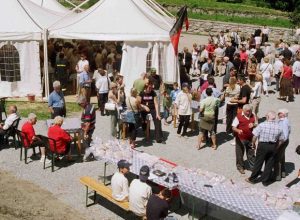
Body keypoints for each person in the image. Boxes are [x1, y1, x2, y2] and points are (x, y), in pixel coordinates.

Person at [246, 111, 285, 186]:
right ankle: (265, 181)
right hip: (273, 146)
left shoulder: (262, 125)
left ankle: (252, 178)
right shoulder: (279, 127)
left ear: (267, 117)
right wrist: (277, 147)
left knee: (258, 162)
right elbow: (281, 140)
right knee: (269, 164)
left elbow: (255, 136)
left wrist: (253, 143)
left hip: (263, 145)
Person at [232, 105, 257, 174]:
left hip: (251, 138)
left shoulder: (253, 115)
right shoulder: (238, 116)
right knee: (239, 154)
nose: (249, 112)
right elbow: (233, 127)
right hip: (240, 139)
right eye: (247, 111)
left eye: (250, 111)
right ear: (243, 110)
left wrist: (253, 125)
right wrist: (238, 130)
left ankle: (253, 167)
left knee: (251, 153)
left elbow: (256, 124)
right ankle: (240, 167)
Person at [274, 109, 291, 181]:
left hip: (282, 142)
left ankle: (277, 176)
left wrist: (279, 144)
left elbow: (285, 135)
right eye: (278, 113)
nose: (278, 115)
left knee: (277, 158)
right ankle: (283, 172)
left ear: (284, 114)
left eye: (280, 113)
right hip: (284, 141)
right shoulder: (284, 121)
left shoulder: (284, 122)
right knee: (282, 156)